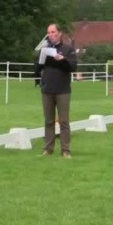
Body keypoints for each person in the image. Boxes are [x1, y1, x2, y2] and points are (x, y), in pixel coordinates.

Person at [35, 23, 77, 158]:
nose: (51, 35)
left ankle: (65, 150)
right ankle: (48, 149)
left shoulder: (68, 49)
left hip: (62, 90)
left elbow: (72, 67)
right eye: (49, 33)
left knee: (64, 121)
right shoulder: (45, 49)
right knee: (48, 121)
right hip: (47, 88)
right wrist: (39, 59)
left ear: (59, 33)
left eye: (53, 32)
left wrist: (63, 60)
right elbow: (38, 68)